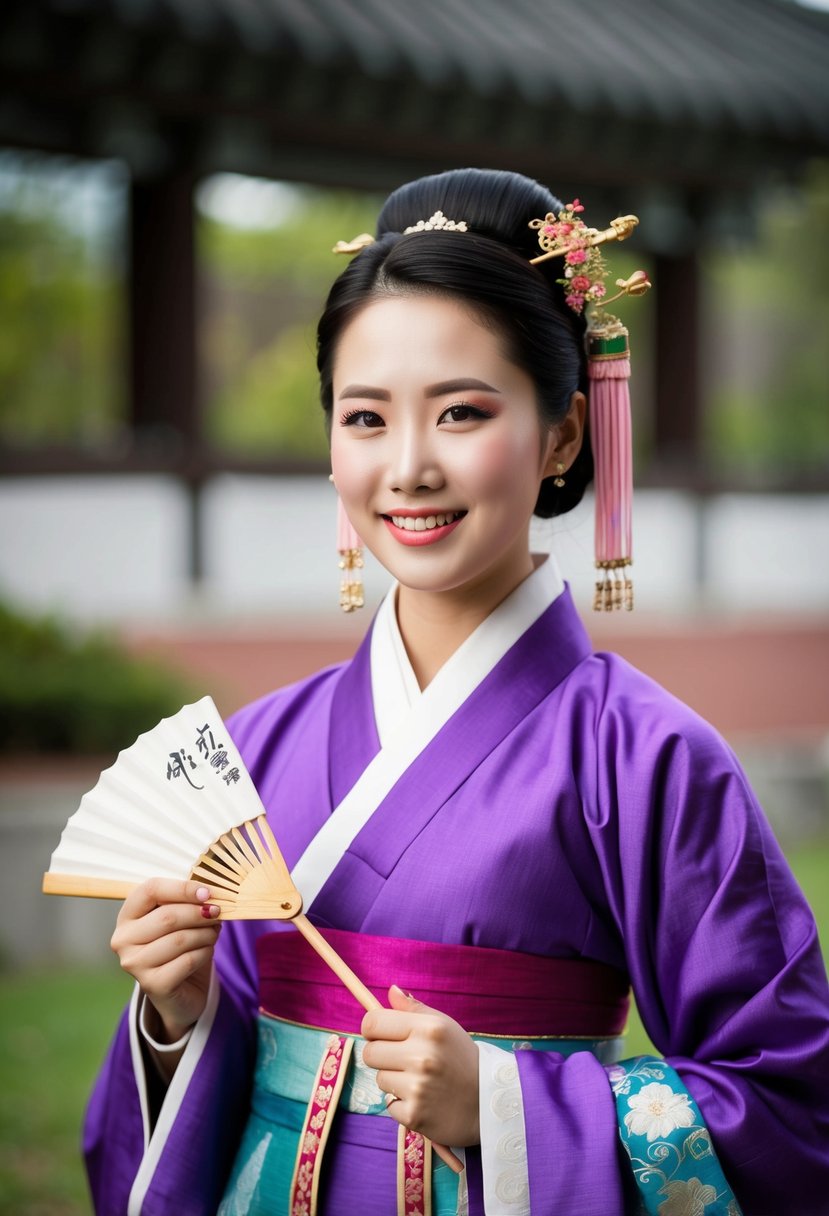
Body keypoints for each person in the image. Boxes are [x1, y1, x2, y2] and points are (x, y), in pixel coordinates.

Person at [84, 168, 829, 1216]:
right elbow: (212, 1063)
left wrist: (508, 1105)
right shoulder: (259, 745)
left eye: (463, 412)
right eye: (366, 417)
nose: (409, 467)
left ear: (564, 432)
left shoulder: (649, 757)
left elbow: (793, 1107)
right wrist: (177, 1012)